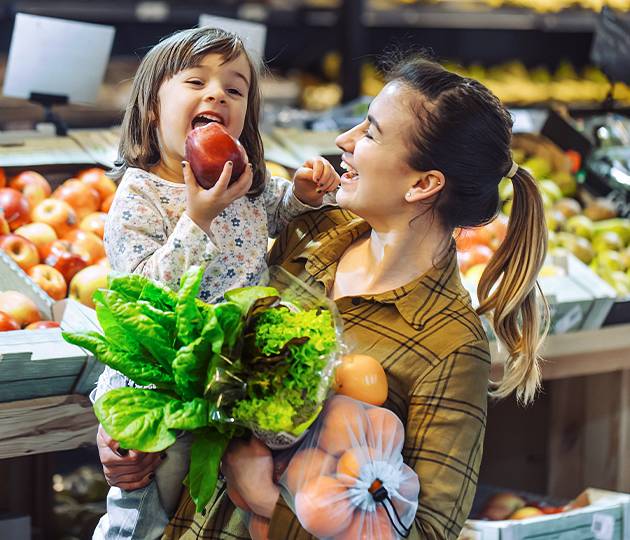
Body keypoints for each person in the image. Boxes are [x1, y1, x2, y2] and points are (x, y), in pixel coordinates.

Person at [107, 53, 549, 540]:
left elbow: (428, 532)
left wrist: (270, 503)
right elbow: (203, 329)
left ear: (423, 184)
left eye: (371, 132)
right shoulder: (312, 230)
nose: (345, 140)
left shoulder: (450, 346)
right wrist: (130, 434)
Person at [92, 26, 339, 540]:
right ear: (152, 109)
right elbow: (141, 293)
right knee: (151, 508)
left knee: (215, 514)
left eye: (234, 88)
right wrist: (197, 220)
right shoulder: (142, 195)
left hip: (230, 384)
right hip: (166, 388)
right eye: (195, 82)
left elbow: (277, 212)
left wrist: (304, 194)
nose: (216, 94)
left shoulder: (246, 181)